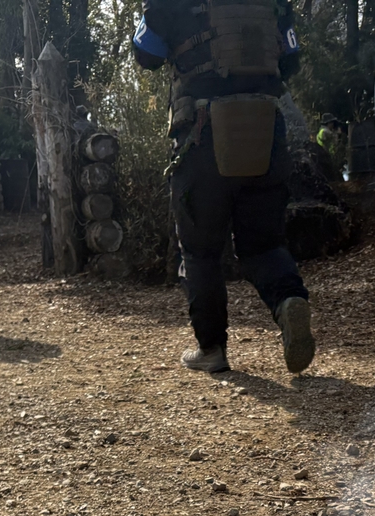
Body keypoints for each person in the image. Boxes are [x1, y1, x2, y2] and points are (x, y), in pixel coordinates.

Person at [132, 0, 315, 376]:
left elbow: (146, 53)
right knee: (264, 244)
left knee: (200, 251)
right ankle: (289, 300)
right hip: (266, 129)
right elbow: (292, 60)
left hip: (204, 133)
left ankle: (211, 348)